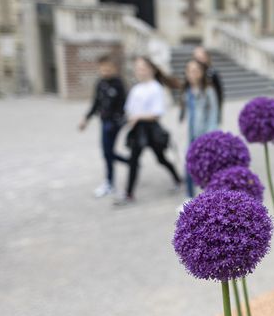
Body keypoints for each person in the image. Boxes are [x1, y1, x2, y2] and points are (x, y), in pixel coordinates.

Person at [116, 56, 182, 205]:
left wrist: (138, 116)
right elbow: (128, 110)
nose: (140, 71)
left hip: (151, 130)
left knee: (161, 158)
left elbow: (156, 114)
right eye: (138, 68)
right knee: (133, 160)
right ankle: (129, 193)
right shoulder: (136, 89)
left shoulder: (156, 88)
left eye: (143, 68)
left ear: (151, 69)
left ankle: (178, 179)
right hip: (137, 130)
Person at [79, 55, 129, 198]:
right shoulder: (100, 83)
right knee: (107, 153)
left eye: (108, 69)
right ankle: (129, 163)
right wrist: (86, 119)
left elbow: (123, 104)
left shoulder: (119, 83)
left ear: (114, 68)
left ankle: (109, 182)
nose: (105, 72)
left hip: (115, 123)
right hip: (104, 122)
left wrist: (117, 120)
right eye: (103, 69)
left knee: (107, 152)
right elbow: (95, 103)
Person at [179, 59, 219, 197]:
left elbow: (214, 114)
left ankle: (210, 196)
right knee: (189, 165)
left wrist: (209, 137)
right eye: (189, 71)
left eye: (195, 71)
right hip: (191, 135)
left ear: (202, 73)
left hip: (205, 136)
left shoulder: (209, 91)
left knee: (207, 167)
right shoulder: (186, 91)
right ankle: (189, 196)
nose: (192, 74)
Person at [193, 46, 224, 121]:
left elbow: (219, 93)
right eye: (196, 58)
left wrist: (218, 112)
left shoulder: (212, 73)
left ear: (206, 57)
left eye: (200, 57)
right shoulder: (194, 73)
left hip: (210, 108)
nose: (198, 61)